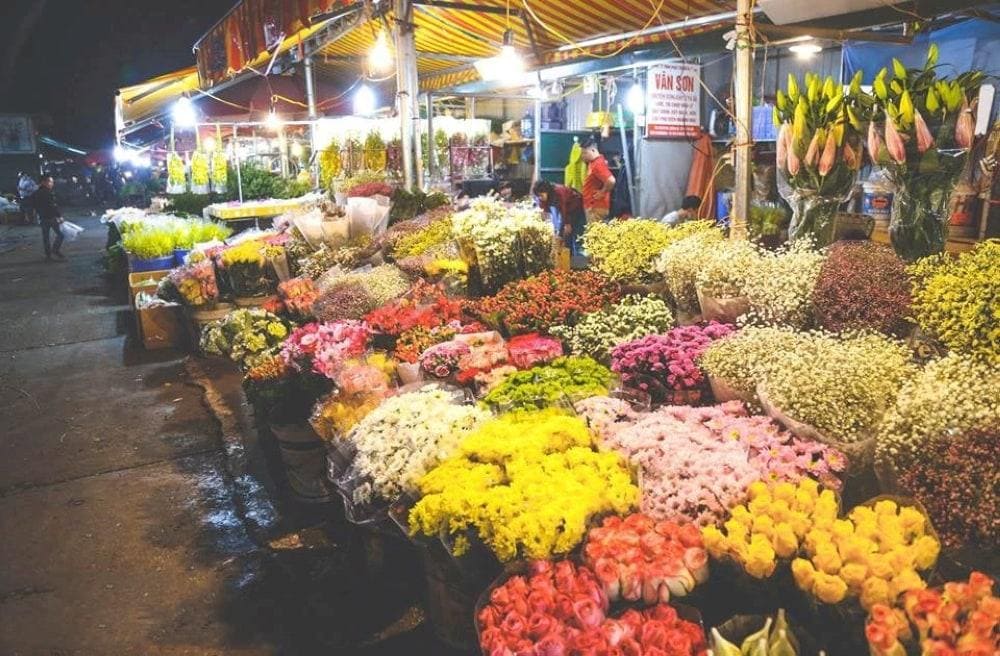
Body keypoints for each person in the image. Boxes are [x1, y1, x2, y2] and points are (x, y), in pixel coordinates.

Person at [533, 179, 584, 254]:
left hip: (575, 205)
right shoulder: (543, 197)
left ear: (547, 191)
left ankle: (571, 256)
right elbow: (543, 212)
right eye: (538, 196)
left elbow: (564, 210)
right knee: (561, 232)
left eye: (541, 195)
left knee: (568, 232)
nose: (540, 198)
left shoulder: (558, 192)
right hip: (564, 208)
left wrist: (566, 224)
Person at [580, 139, 615, 224]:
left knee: (595, 234)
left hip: (596, 207)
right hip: (593, 206)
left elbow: (611, 181)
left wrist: (602, 192)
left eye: (585, 153)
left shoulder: (598, 165)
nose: (583, 156)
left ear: (593, 150)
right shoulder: (593, 163)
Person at [33, 175, 65, 261]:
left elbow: (35, 206)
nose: (52, 184)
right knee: (61, 235)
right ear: (44, 182)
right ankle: (55, 250)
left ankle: (48, 255)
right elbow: (53, 206)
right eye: (50, 182)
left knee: (46, 237)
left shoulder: (36, 193)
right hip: (51, 217)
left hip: (43, 217)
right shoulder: (48, 192)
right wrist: (59, 216)